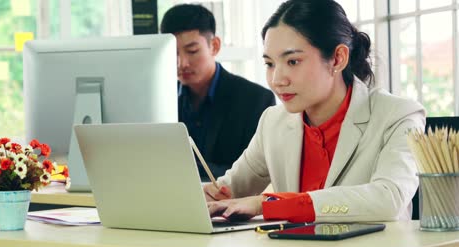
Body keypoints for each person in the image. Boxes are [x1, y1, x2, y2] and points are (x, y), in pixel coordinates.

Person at [205, 0, 426, 223]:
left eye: (293, 61)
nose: (277, 80)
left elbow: (388, 199)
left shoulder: (399, 115)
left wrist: (269, 204)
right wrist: (199, 198)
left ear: (338, 59)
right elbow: (227, 190)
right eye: (270, 64)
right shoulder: (273, 122)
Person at [160, 4, 276, 181]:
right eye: (173, 53)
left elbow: (256, 174)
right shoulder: (161, 100)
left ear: (214, 46)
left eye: (192, 51)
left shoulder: (255, 100)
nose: (181, 63)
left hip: (231, 202)